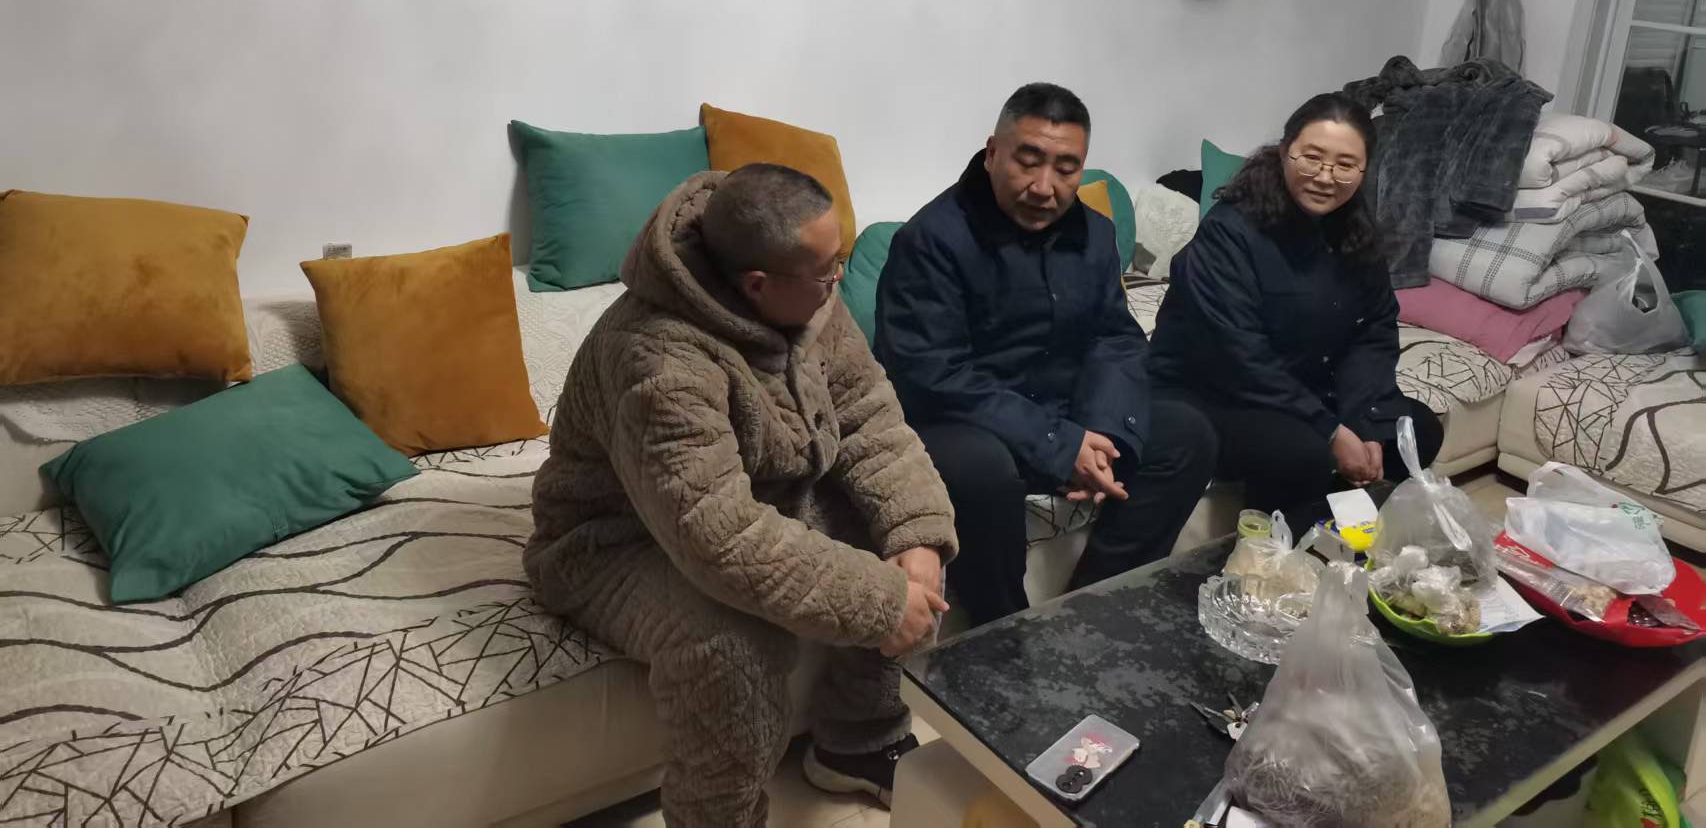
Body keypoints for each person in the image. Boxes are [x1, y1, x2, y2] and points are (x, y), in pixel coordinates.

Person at [525, 164, 958, 828]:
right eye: (827, 271)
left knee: (897, 534)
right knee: (731, 646)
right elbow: (718, 536)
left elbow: (869, 416)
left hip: (750, 499)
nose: (839, 279)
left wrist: (918, 534)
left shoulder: (806, 291)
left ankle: (858, 740)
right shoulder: (656, 358)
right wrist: (879, 604)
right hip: (615, 539)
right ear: (758, 284)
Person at [873, 83, 1217, 628]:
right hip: (964, 420)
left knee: (1187, 434)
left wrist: (1102, 431)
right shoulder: (931, 239)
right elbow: (932, 374)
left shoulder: (1095, 233)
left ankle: (1091, 612)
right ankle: (1004, 634)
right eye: (1028, 161)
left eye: (1065, 168)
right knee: (982, 472)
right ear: (992, 153)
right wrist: (1058, 442)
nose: (1044, 187)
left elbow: (1115, 337)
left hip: (1063, 410)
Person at [1147, 92, 1445, 518]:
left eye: (1345, 165)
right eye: (1312, 158)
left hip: (1301, 385)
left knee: (1415, 431)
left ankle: (1341, 531)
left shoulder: (1356, 229)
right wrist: (1330, 430)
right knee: (1303, 451)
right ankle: (1279, 548)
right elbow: (1238, 354)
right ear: (1285, 152)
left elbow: (1373, 329)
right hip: (1214, 390)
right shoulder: (1230, 230)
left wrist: (1367, 420)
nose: (1325, 177)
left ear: (1364, 169)